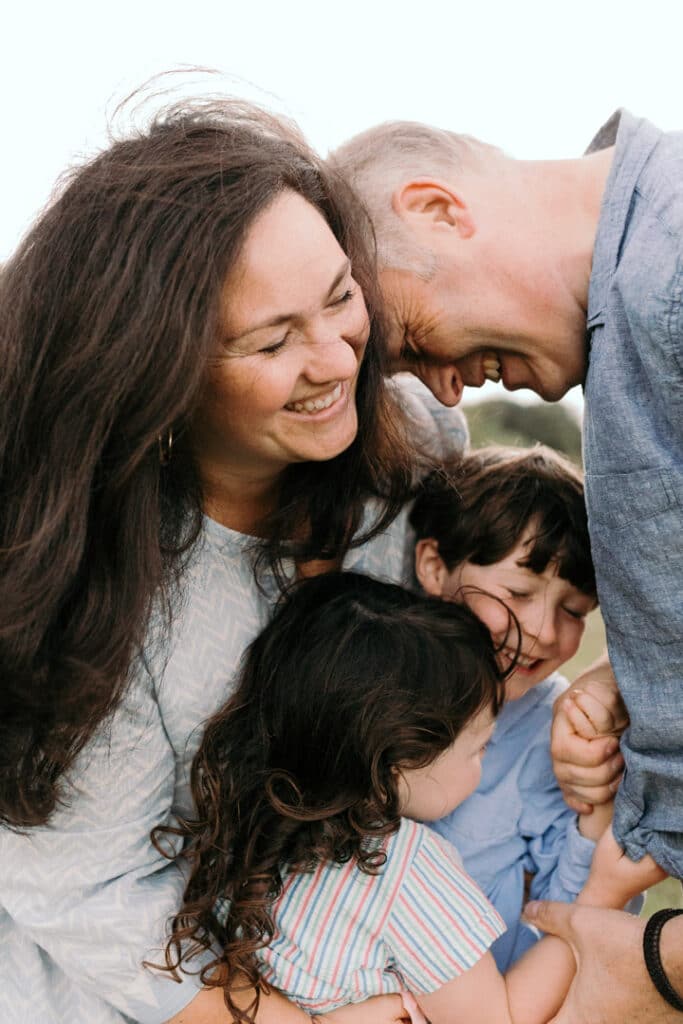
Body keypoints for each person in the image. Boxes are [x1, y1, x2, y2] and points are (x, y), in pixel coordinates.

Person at [0, 96, 468, 1024]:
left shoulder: (410, 443)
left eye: (340, 296)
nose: (336, 357)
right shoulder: (87, 594)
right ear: (154, 373)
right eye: (272, 340)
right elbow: (92, 896)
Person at [331, 111, 683, 1020]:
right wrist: (621, 674)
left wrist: (656, 963)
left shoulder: (670, 273)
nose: (444, 389)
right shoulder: (635, 333)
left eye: (410, 339)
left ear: (439, 211)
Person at [159, 570, 661, 1024]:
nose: (483, 763)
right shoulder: (405, 872)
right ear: (395, 763)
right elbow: (500, 1020)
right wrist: (600, 897)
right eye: (479, 748)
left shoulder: (248, 821)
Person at [408, 444, 642, 971]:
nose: (542, 630)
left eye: (574, 610)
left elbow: (566, 908)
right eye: (518, 592)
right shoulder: (375, 680)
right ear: (433, 566)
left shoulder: (554, 731)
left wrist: (597, 814)